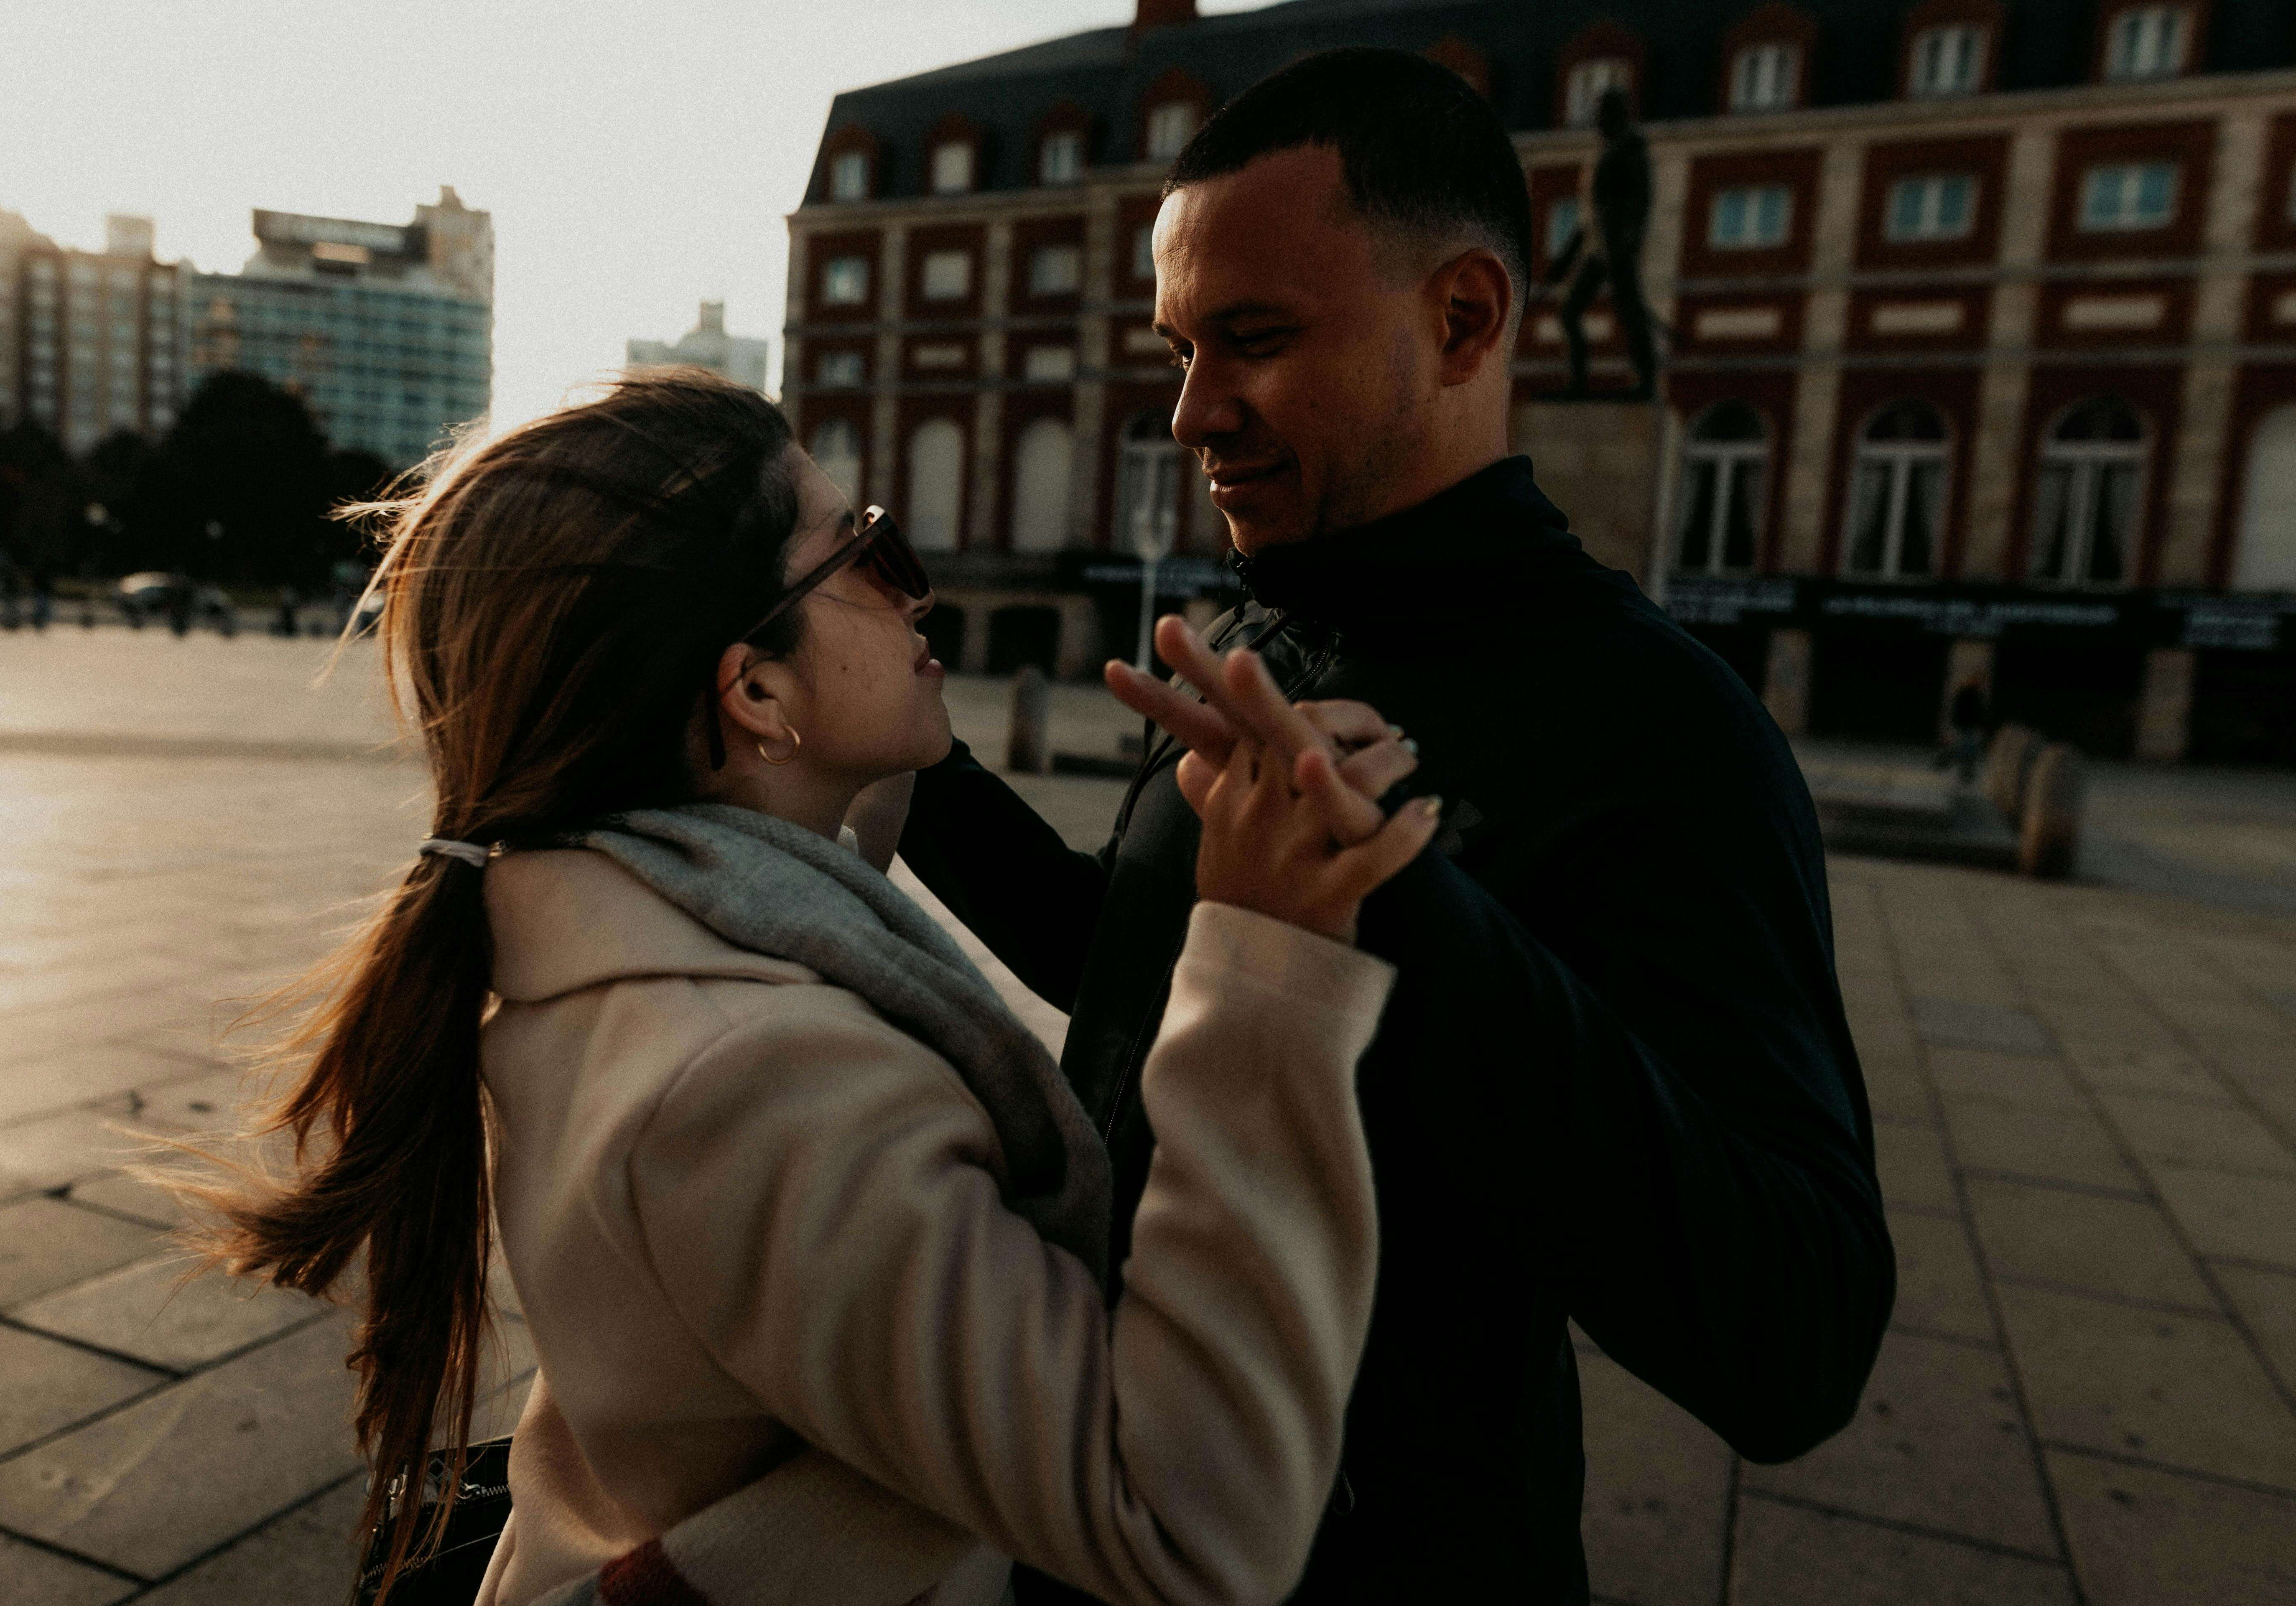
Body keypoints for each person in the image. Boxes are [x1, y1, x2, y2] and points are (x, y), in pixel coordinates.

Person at [179, 371, 1440, 1606]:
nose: (917, 590)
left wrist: (856, 779)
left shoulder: (617, 933)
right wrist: (1273, 954)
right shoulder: (759, 1079)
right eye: (868, 554)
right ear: (755, 691)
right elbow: (1187, 1527)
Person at [893, 50, 1894, 1603]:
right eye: (1176, 350)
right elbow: (1128, 958)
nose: (1192, 411)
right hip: (1103, 1524)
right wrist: (915, 768)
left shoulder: (1658, 727)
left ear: (1466, 318)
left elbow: (1797, 1335)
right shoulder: (1284, 633)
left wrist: (1407, 914)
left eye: (1255, 340)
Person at [1543, 87, 1659, 400]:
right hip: (1599, 248)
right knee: (1570, 312)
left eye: (1602, 114)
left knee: (1630, 313)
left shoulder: (1630, 149)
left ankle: (1647, 380)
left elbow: (1640, 201)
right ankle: (1579, 381)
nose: (1597, 121)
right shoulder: (1605, 152)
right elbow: (1590, 215)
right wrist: (1565, 260)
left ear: (1617, 115)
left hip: (1617, 248)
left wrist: (1627, 244)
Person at [1937, 680, 1989, 786]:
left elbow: (1959, 709)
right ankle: (1963, 770)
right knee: (1966, 748)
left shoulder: (1968, 695)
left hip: (1966, 724)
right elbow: (1975, 711)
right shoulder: (1972, 696)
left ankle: (1963, 770)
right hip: (1967, 725)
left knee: (1966, 748)